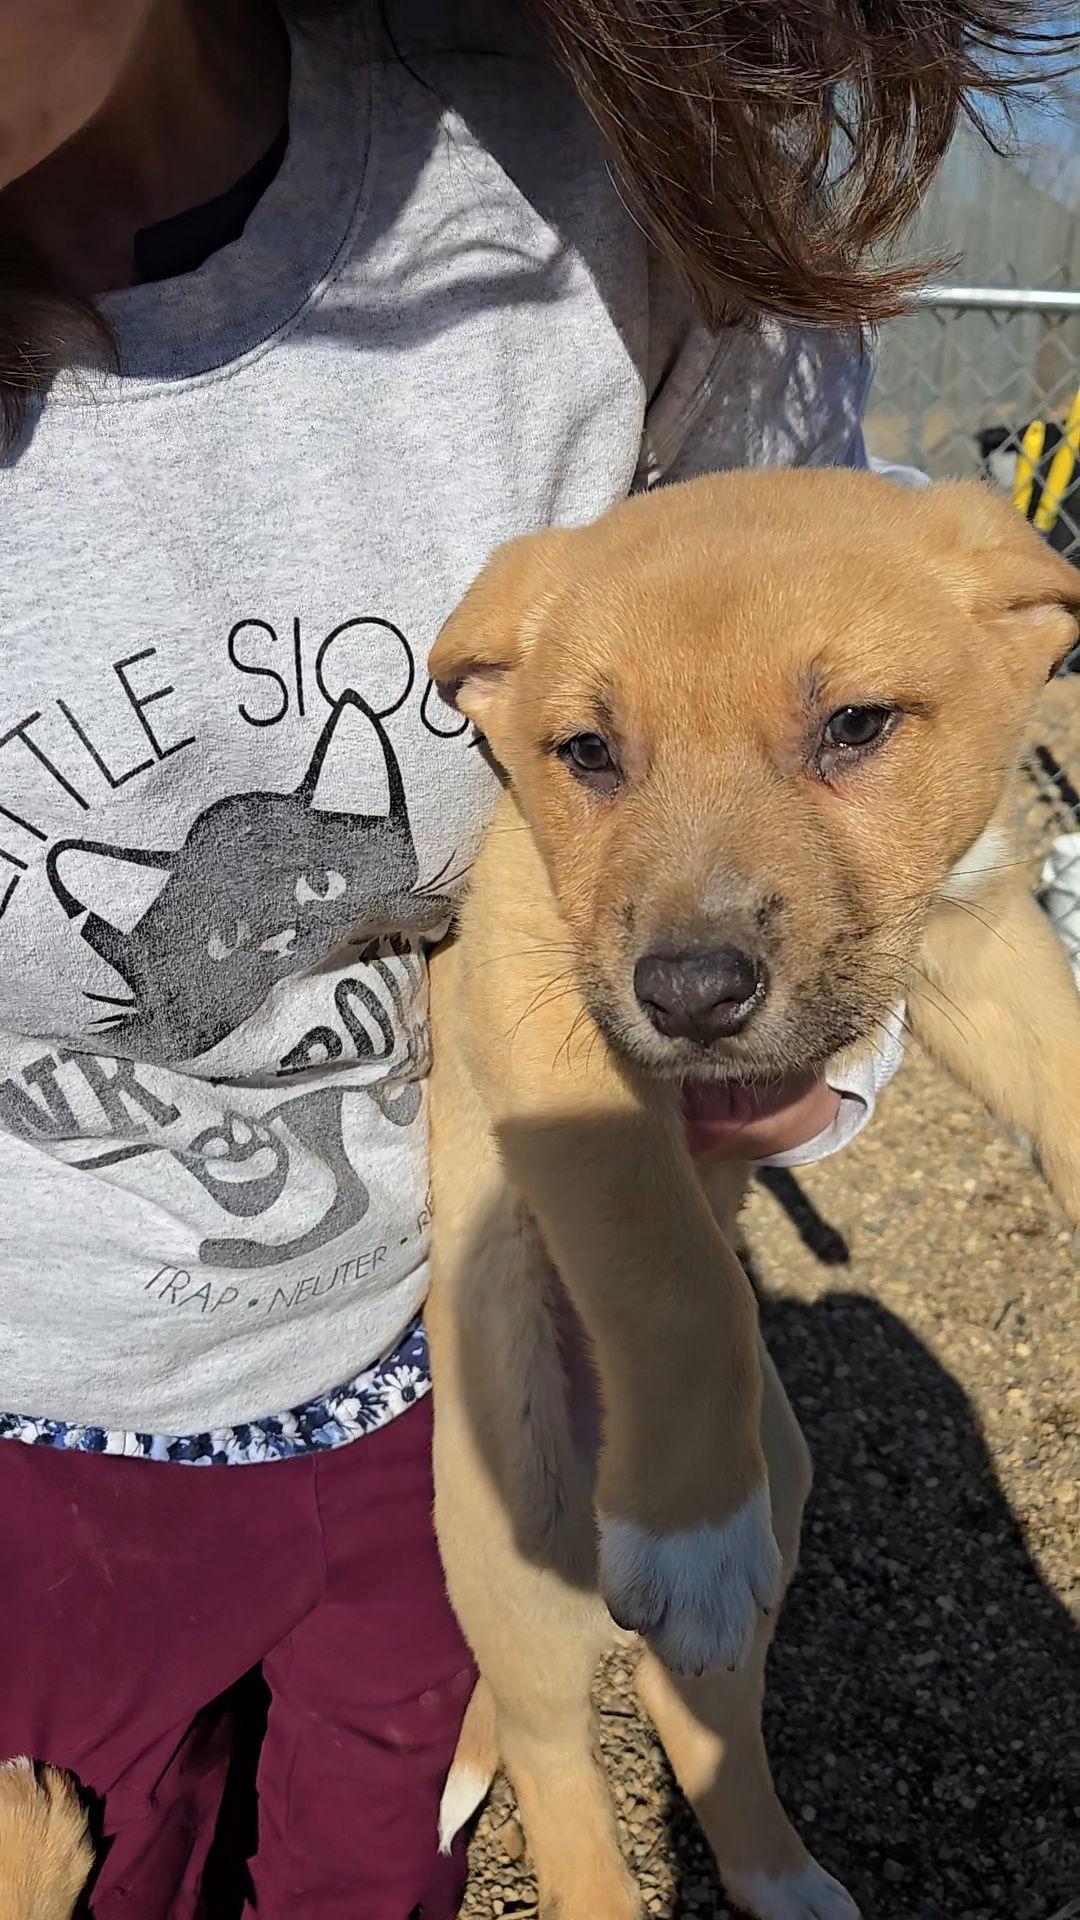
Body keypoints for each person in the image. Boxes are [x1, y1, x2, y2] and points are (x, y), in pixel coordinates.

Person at [0, 3, 1056, 1916]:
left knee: (451, 1752)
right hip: (53, 1416)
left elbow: (936, 865)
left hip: (392, 1349)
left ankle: (705, 1816)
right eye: (586, 752)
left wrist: (816, 1068)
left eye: (844, 731)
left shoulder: (615, 182)